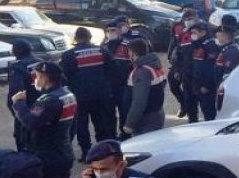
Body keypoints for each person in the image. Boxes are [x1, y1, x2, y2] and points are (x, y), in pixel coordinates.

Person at [11, 61, 75, 178]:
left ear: (45, 77)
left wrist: (19, 103)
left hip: (48, 159)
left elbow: (31, 121)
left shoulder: (49, 100)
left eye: (37, 76)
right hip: (63, 152)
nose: (35, 80)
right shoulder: (67, 94)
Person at [60, 27, 115, 158]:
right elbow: (113, 70)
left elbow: (64, 76)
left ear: (76, 38)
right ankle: (104, 151)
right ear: (89, 37)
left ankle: (86, 152)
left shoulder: (69, 55)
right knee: (101, 123)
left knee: (81, 125)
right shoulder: (102, 51)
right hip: (101, 94)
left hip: (80, 96)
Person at [122, 38, 167, 138]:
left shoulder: (142, 71)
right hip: (156, 113)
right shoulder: (154, 65)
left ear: (132, 52)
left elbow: (139, 101)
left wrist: (130, 123)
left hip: (145, 119)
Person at [6, 39, 41, 151]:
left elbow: (16, 92)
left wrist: (15, 109)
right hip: (43, 106)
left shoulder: (17, 67)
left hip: (27, 108)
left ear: (15, 52)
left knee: (23, 140)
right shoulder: (42, 62)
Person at [104, 18, 134, 127]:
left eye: (114, 30)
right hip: (109, 86)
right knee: (108, 113)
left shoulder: (128, 45)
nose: (111, 33)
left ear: (119, 31)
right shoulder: (103, 47)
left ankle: (124, 134)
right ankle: (111, 135)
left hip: (124, 85)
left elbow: (134, 64)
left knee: (124, 110)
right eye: (109, 31)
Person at [187, 21, 219, 122]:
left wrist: (206, 85)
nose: (193, 35)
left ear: (203, 32)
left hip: (206, 85)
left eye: (195, 32)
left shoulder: (210, 45)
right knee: (200, 106)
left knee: (208, 110)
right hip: (197, 82)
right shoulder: (196, 44)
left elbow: (211, 67)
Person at [167, 8, 196, 118]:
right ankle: (184, 103)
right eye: (186, 17)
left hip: (193, 62)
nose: (188, 20)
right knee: (173, 83)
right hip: (179, 60)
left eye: (191, 18)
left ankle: (190, 110)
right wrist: (170, 56)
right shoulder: (177, 26)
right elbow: (174, 42)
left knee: (190, 89)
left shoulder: (201, 28)